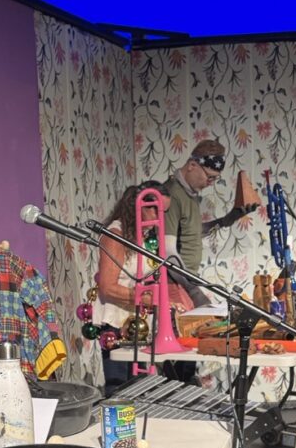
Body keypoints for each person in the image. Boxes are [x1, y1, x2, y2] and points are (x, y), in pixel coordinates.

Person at [92, 180, 193, 393]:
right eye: (156, 210)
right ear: (138, 206)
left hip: (136, 320)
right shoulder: (116, 235)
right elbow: (107, 287)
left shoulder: (143, 237)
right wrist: (150, 299)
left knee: (138, 388)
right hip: (115, 322)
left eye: (164, 212)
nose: (160, 218)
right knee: (119, 387)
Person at [165, 140, 258, 273]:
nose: (211, 183)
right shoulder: (173, 194)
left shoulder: (189, 193)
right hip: (174, 281)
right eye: (209, 177)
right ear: (192, 165)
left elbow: (190, 232)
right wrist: (191, 288)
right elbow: (167, 252)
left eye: (215, 179)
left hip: (186, 279)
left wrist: (226, 220)